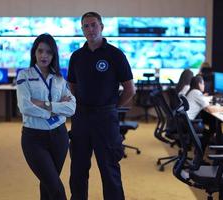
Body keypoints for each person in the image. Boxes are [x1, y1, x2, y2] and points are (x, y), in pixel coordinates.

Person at [67, 11, 136, 200]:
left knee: (109, 169)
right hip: (81, 118)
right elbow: (71, 86)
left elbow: (130, 89)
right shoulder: (77, 56)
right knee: (78, 169)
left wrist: (112, 107)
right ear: (82, 30)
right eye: (86, 26)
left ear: (102, 27)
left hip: (105, 118)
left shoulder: (115, 55)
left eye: (93, 25)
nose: (90, 29)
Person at [16, 33, 76, 200]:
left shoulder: (58, 78)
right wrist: (57, 108)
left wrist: (44, 104)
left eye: (49, 52)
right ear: (34, 52)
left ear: (53, 55)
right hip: (34, 138)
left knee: (48, 185)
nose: (44, 55)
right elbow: (25, 106)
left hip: (59, 136)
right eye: (40, 51)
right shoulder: (24, 75)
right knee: (55, 187)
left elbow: (71, 108)